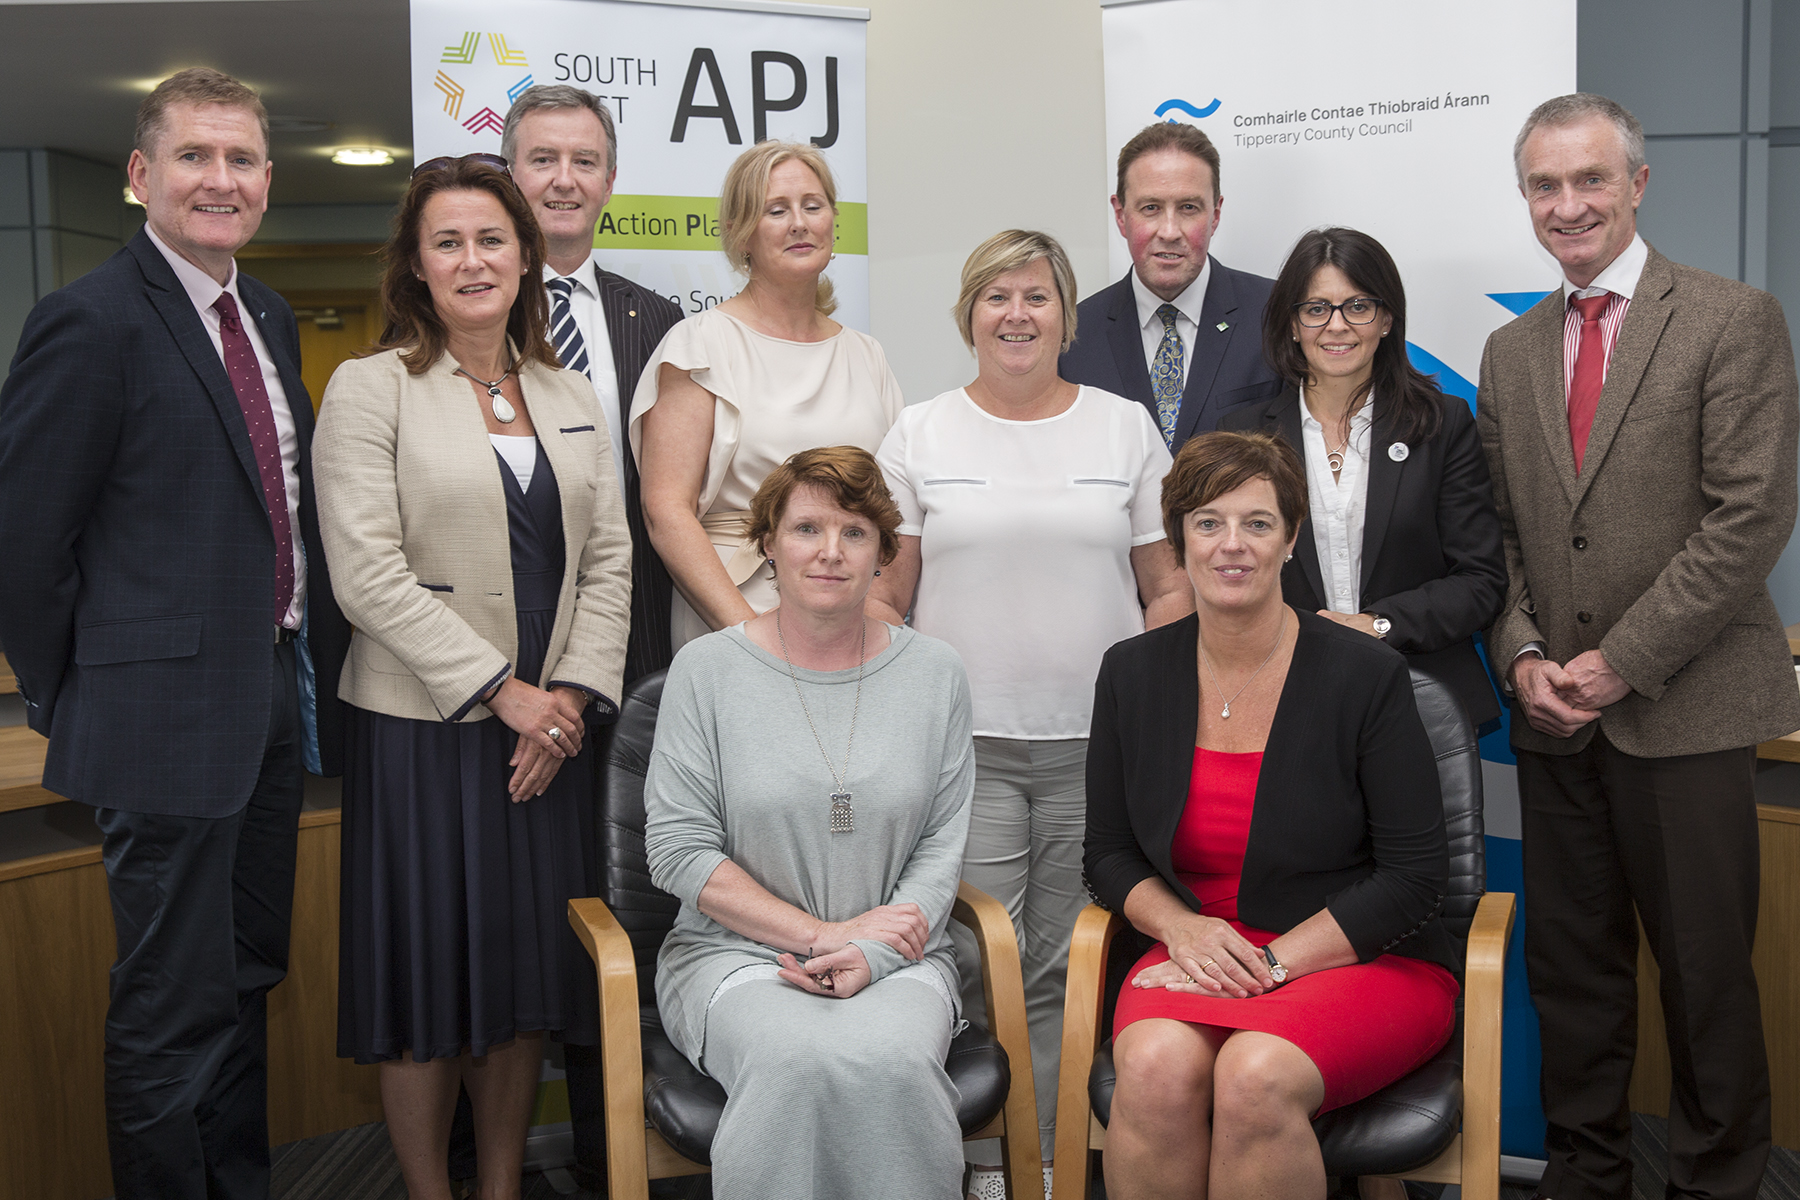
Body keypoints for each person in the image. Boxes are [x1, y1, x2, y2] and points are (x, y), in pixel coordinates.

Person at [0, 68, 349, 1200]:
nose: (221, 179)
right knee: (167, 1011)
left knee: (245, 977)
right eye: (195, 156)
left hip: (263, 708)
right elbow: (23, 546)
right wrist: (78, 699)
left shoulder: (268, 314)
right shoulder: (88, 321)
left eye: (242, 159)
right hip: (154, 726)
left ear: (265, 182)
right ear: (142, 176)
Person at [1478, 93, 1800, 1200]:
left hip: (1685, 712)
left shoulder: (1728, 317)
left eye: (1589, 180)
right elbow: (1508, 535)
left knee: (1706, 981)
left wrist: (1620, 661)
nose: (1567, 206)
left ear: (1638, 185)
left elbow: (1748, 517)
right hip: (1556, 724)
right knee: (1573, 980)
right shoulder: (1509, 349)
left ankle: (1716, 1184)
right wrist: (1522, 657)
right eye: (1543, 186)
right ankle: (1587, 1177)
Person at [311, 154, 632, 1200]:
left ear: (527, 253)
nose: (472, 258)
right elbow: (366, 576)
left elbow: (610, 560)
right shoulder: (371, 388)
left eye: (492, 238)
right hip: (425, 731)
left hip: (555, 734)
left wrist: (569, 700)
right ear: (415, 263)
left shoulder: (570, 391)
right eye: (446, 241)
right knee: (426, 977)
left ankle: (500, 1186)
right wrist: (505, 694)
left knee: (523, 974)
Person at [871, 229, 1191, 1197]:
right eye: (996, 296)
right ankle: (978, 1163)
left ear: (1067, 315)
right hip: (967, 746)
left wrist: (1143, 688)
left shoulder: (1124, 426)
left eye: (1037, 296)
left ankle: (1046, 1164)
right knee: (975, 960)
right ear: (968, 313)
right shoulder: (919, 433)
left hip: (1097, 750)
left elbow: (1166, 585)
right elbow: (887, 597)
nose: (1017, 314)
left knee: (1065, 963)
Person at [1085, 429, 1460, 1200]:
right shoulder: (1132, 673)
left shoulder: (1366, 675)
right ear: (1179, 539)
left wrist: (1275, 967)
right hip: (1202, 949)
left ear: (1291, 538)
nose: (1232, 546)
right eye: (1208, 522)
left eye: (1257, 523)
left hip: (1358, 956)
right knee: (1153, 1067)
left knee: (1255, 1075)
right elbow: (1108, 852)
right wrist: (1179, 930)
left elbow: (1415, 880)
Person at [644, 446, 974, 1200]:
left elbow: (940, 846)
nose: (830, 551)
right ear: (767, 541)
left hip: (899, 957)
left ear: (884, 552)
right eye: (806, 529)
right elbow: (677, 851)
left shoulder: (937, 674)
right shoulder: (706, 672)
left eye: (855, 532)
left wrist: (870, 951)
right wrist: (821, 936)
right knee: (792, 1058)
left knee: (891, 1059)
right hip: (734, 957)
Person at [1219, 227, 1506, 733]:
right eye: (1316, 308)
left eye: (1358, 306)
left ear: (1388, 319)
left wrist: (1376, 625)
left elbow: (1480, 582)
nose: (1336, 326)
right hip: (1280, 704)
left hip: (1418, 699)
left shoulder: (1443, 425)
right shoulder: (1239, 436)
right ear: (1291, 323)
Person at [631, 140, 903, 651]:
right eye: (776, 210)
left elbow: (895, 507)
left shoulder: (867, 355)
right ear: (741, 234)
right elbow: (665, 511)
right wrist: (750, 638)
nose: (799, 223)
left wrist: (880, 613)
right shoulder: (700, 345)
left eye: (813, 206)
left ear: (832, 223)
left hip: (851, 622)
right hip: (735, 613)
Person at [502, 84, 685, 682]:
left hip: (636, 616)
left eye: (584, 162)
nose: (564, 179)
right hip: (505, 616)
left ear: (609, 182)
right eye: (543, 159)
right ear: (509, 176)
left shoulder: (660, 321)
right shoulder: (463, 311)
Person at [1059, 122, 1282, 452]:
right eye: (1150, 208)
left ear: (1215, 214)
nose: (1169, 231)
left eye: (1188, 208)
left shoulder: (1275, 315)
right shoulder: (1072, 337)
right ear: (1120, 216)